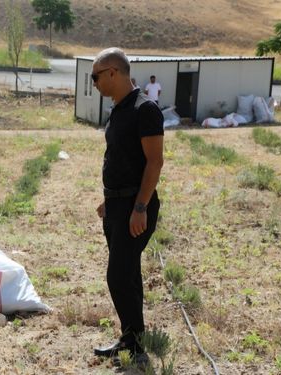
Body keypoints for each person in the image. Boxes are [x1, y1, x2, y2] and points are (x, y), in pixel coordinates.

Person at [90, 48, 164, 367]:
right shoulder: (119, 109)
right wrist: (110, 200)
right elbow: (120, 159)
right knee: (128, 273)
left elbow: (155, 161)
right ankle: (133, 340)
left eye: (95, 77)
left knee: (118, 275)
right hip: (118, 204)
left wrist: (140, 207)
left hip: (136, 205)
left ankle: (136, 348)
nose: (93, 83)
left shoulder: (144, 109)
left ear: (113, 73)